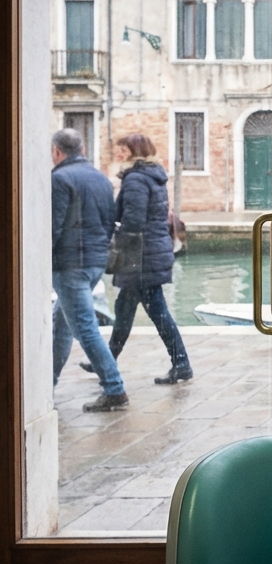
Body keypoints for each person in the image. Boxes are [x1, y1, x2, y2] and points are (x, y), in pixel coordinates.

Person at [95, 134, 192, 385]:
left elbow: (134, 221)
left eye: (123, 149)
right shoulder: (152, 176)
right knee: (125, 309)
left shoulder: (136, 179)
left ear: (134, 151)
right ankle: (106, 360)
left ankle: (181, 364)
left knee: (156, 312)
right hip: (150, 252)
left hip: (141, 257)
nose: (118, 153)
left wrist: (115, 243)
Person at [50, 128, 128, 412]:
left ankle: (114, 388)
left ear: (57, 152)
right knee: (62, 324)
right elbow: (110, 222)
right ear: (82, 149)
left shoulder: (59, 178)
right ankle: (46, 384)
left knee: (84, 327)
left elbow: (53, 226)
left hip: (70, 264)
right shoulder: (101, 178)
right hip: (96, 262)